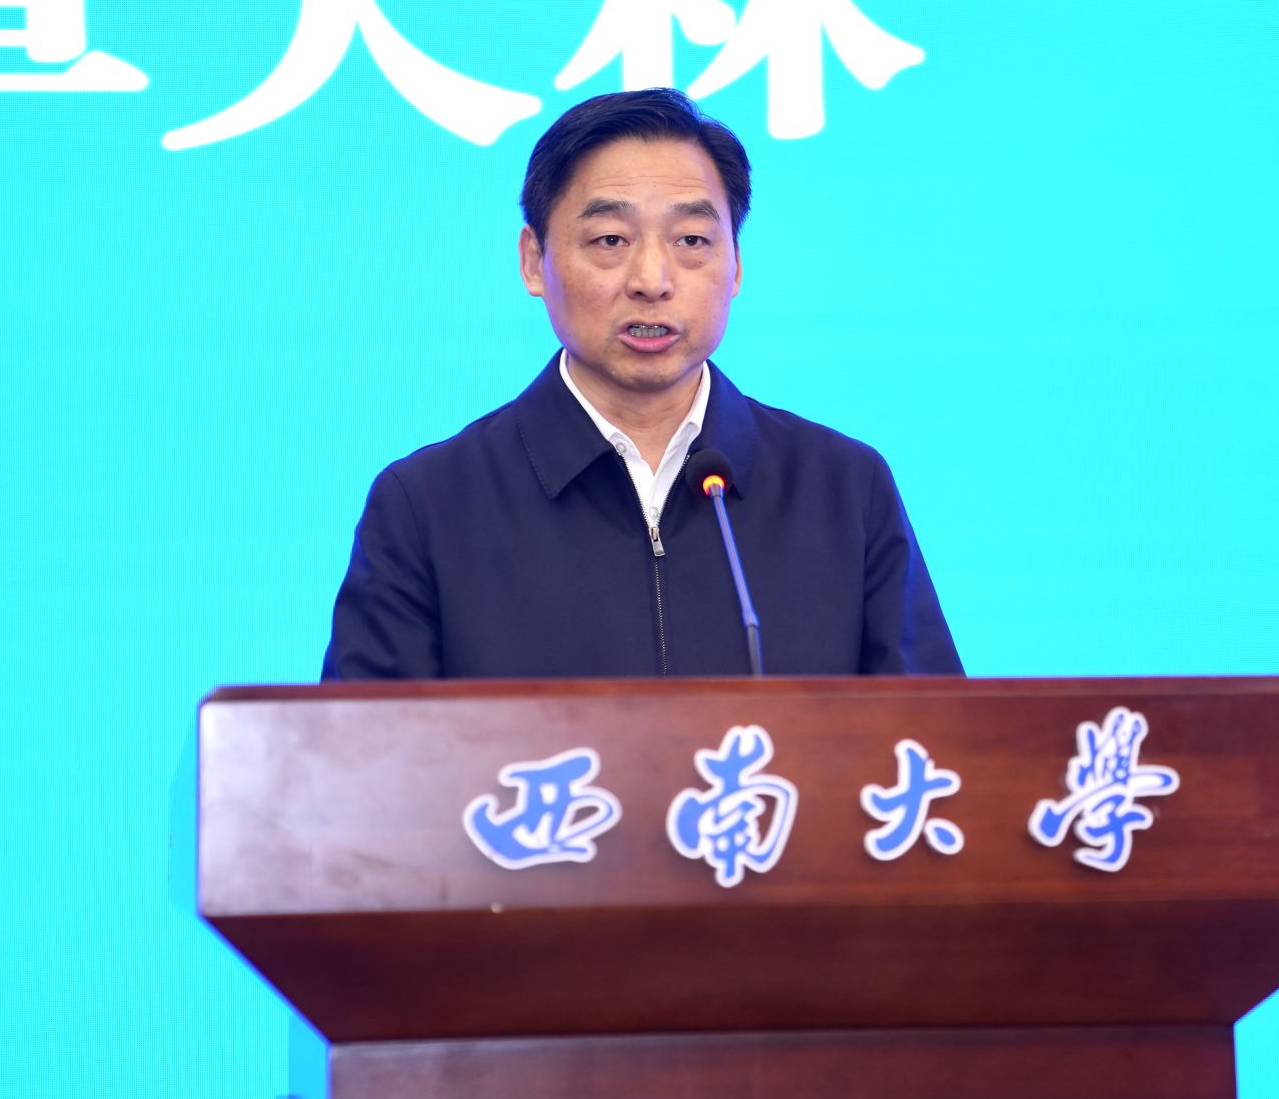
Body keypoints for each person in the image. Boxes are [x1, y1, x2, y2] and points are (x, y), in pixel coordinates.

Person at [322, 88, 960, 681]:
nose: (652, 280)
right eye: (610, 239)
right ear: (534, 262)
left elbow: (934, 744)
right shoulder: (428, 506)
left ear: (736, 264)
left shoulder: (842, 489)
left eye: (692, 240)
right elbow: (363, 752)